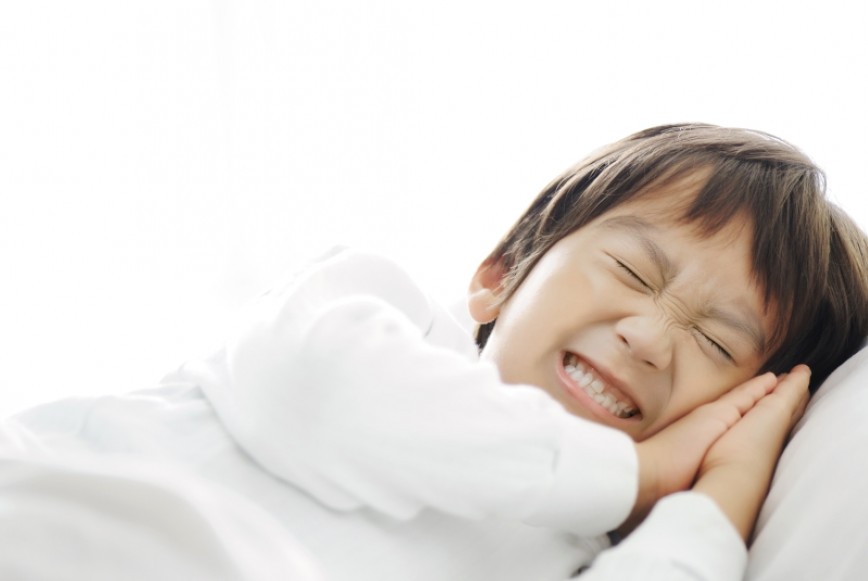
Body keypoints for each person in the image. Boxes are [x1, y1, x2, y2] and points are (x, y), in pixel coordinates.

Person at [3, 124, 866, 581]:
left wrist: (715, 504)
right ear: (499, 273)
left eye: (716, 341)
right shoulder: (385, 317)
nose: (647, 335)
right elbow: (316, 392)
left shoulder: (589, 557)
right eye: (631, 270)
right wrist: (635, 472)